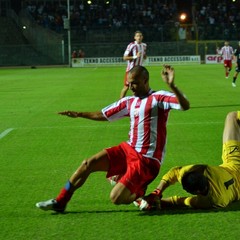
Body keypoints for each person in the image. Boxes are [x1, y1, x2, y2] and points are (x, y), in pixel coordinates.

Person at [35, 65, 190, 213]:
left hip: (146, 160)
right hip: (128, 150)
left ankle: (140, 192)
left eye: (134, 83)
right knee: (87, 163)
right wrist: (79, 114)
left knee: (115, 198)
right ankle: (61, 201)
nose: (131, 87)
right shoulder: (129, 101)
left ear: (145, 80)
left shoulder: (158, 97)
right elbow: (104, 114)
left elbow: (185, 105)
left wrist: (172, 85)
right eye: (129, 84)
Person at [135, 110, 240, 210]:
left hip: (234, 166)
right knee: (232, 117)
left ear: (197, 192)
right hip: (234, 163)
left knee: (232, 117)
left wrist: (155, 199)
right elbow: (175, 173)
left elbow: (178, 201)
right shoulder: (206, 170)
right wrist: (157, 192)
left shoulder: (211, 201)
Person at [120, 30, 147, 99]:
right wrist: (135, 56)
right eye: (137, 36)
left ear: (142, 37)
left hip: (139, 71)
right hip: (130, 71)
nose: (139, 37)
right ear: (134, 37)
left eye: (140, 36)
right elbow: (124, 57)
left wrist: (144, 56)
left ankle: (136, 103)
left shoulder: (144, 45)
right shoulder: (131, 45)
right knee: (126, 87)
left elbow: (144, 55)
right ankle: (119, 103)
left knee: (138, 87)